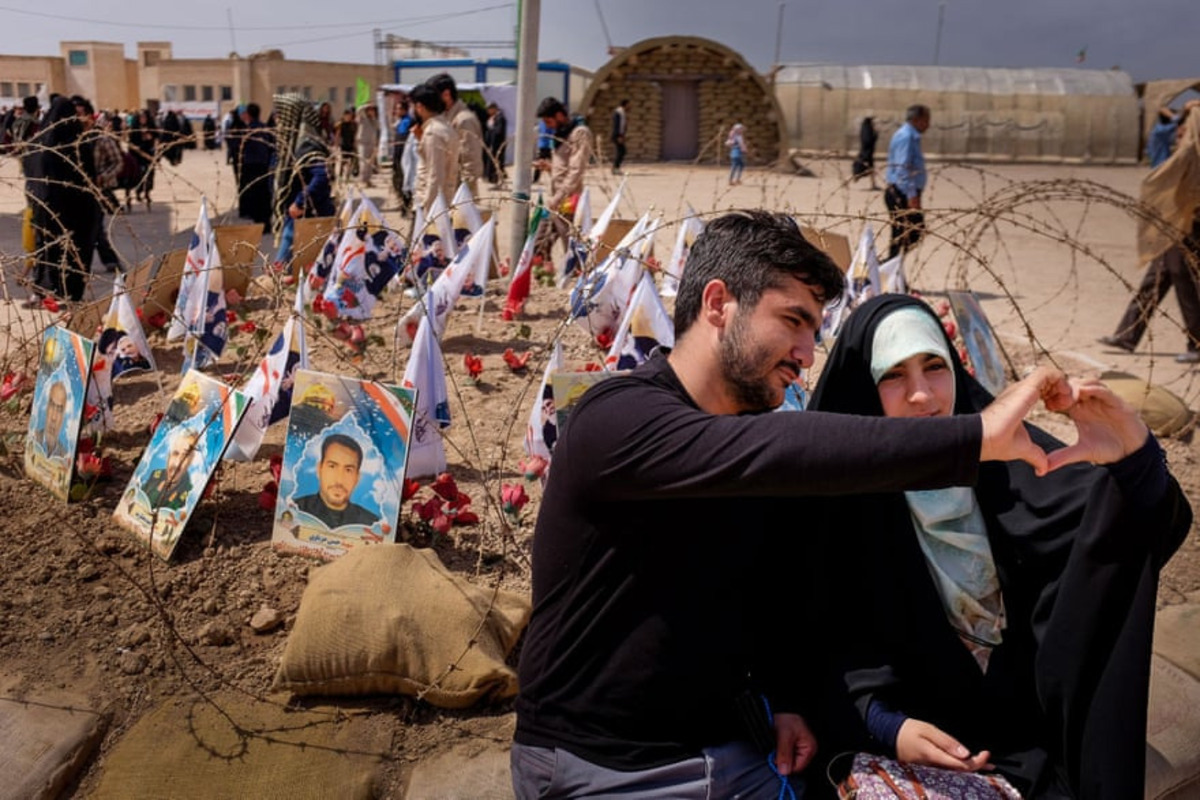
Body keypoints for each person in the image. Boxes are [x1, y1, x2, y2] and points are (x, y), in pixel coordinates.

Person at [512, 210, 1089, 800]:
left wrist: (784, 699)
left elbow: (778, 608)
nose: (807, 354)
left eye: (815, 332)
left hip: (734, 752)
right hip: (602, 769)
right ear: (719, 304)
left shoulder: (757, 442)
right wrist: (976, 437)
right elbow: (773, 450)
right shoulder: (617, 420)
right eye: (793, 321)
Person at [807, 294, 1191, 798]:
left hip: (1025, 739)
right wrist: (886, 725)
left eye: (933, 367)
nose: (922, 395)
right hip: (908, 740)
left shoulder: (1005, 456)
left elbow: (1130, 535)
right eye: (893, 375)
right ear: (862, 386)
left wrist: (1132, 456)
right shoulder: (834, 501)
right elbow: (808, 647)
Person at [1099, 103, 1200, 362]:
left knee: (1183, 280)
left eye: (1186, 125)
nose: (1179, 130)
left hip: (1189, 228)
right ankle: (1127, 335)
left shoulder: (1192, 154)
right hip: (1176, 226)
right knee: (1156, 279)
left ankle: (1197, 343)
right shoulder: (1188, 153)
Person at [24, 96, 96, 303]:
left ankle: (52, 290)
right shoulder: (77, 144)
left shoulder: (36, 145)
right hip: (78, 211)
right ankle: (72, 293)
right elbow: (89, 178)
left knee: (49, 251)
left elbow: (31, 178)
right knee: (76, 251)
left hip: (46, 210)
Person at [533, 96, 593, 261]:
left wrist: (559, 197)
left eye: (549, 121)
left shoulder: (579, 133)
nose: (548, 126)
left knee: (571, 244)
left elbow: (576, 170)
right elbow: (565, 166)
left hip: (568, 200)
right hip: (556, 198)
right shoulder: (562, 134)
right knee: (539, 240)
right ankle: (543, 271)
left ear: (559, 115)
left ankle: (578, 275)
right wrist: (550, 167)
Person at [294, 434, 377, 529]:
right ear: (319, 469)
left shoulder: (372, 524)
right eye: (332, 466)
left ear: (357, 478)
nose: (339, 480)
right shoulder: (295, 509)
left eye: (348, 470)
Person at [885, 104, 931, 259]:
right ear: (917, 119)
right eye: (926, 120)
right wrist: (911, 195)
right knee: (905, 234)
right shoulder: (906, 137)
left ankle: (892, 272)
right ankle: (887, 270)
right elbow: (903, 168)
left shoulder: (911, 136)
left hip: (904, 191)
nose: (928, 125)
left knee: (906, 234)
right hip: (901, 192)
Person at [428, 73, 484, 198]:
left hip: (459, 193)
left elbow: (471, 162)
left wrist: (464, 195)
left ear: (446, 95)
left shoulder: (464, 120)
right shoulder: (446, 117)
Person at [411, 82, 459, 215]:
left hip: (430, 204)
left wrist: (429, 212)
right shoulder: (446, 127)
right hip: (444, 200)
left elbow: (435, 175)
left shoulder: (433, 132)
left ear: (419, 107)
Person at [142, 429, 199, 512]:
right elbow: (139, 496)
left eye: (185, 456)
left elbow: (174, 512)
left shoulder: (189, 491)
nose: (178, 463)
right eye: (175, 454)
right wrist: (157, 491)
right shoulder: (156, 475)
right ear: (168, 457)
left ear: (190, 461)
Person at [237, 102, 274, 227]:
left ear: (249, 114)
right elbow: (271, 146)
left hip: (251, 166)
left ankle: (258, 221)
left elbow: (241, 148)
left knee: (255, 194)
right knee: (264, 194)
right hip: (263, 165)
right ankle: (266, 221)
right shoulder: (264, 128)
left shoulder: (249, 130)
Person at [127, 108, 159, 211]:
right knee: (140, 175)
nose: (143, 119)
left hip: (149, 154)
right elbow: (131, 143)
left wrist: (150, 137)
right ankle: (138, 191)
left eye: (144, 117)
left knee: (150, 175)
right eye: (141, 117)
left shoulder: (151, 128)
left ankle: (147, 193)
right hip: (138, 156)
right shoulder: (134, 129)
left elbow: (156, 139)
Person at [37, 380, 68, 458]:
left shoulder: (65, 456)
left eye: (59, 410)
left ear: (63, 417)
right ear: (47, 408)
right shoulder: (33, 439)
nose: (53, 417)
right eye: (52, 405)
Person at [356, 103, 380, 187]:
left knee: (370, 163)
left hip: (371, 143)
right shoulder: (363, 118)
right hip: (363, 143)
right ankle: (362, 180)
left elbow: (377, 132)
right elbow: (358, 110)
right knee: (363, 162)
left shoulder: (375, 121)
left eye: (372, 110)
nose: (371, 112)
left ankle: (368, 180)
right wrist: (365, 106)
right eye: (369, 110)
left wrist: (377, 144)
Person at [484, 102, 507, 187]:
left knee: (497, 163)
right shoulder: (494, 118)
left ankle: (496, 180)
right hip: (493, 144)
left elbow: (499, 131)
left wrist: (491, 127)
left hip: (498, 145)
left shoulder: (500, 118)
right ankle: (492, 179)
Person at [852, 116, 879, 189]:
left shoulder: (867, 128)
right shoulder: (867, 129)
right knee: (861, 170)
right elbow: (867, 141)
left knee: (870, 169)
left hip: (868, 152)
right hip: (866, 153)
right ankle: (847, 181)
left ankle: (873, 184)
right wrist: (875, 136)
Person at [334, 106, 358, 184]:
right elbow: (337, 135)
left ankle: (347, 176)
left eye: (349, 115)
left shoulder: (353, 124)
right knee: (342, 162)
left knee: (350, 162)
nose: (348, 117)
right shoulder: (341, 124)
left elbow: (354, 135)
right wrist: (336, 146)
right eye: (346, 115)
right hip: (343, 145)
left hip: (350, 145)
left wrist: (355, 144)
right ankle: (340, 176)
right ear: (344, 116)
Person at [611, 98, 628, 174]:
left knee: (621, 151)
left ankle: (616, 167)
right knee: (621, 151)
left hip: (619, 135)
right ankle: (615, 168)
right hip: (617, 135)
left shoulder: (622, 112)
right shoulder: (619, 113)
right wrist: (619, 136)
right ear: (626, 104)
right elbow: (617, 125)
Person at [533, 117, 553, 183]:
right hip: (548, 145)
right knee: (552, 162)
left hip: (542, 144)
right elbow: (552, 133)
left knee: (540, 162)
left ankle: (535, 178)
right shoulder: (548, 122)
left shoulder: (541, 122)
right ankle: (554, 177)